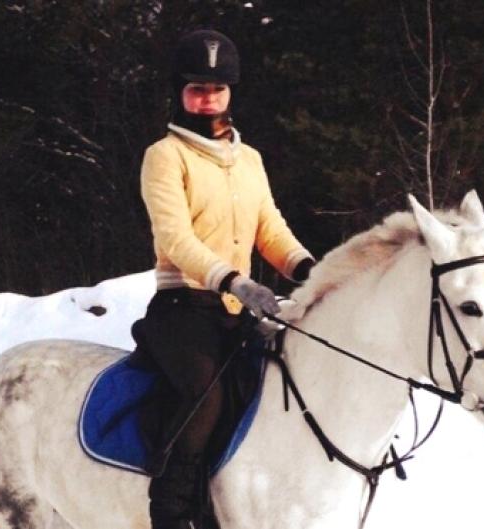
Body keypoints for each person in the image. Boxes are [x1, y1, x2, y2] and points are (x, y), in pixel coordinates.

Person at [130, 29, 314, 529]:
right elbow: (175, 237)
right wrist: (233, 281)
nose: (207, 98)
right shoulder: (165, 155)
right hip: (183, 309)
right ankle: (172, 511)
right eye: (196, 88)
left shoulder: (248, 160)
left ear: (230, 92)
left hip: (237, 312)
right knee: (206, 394)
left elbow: (270, 229)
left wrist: (310, 270)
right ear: (180, 92)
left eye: (217, 88)